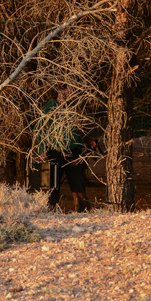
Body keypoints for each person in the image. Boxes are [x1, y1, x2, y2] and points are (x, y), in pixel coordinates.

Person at [34, 84, 91, 212]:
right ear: (61, 91)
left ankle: (83, 212)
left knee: (78, 183)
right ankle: (50, 211)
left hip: (73, 151)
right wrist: (42, 149)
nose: (73, 92)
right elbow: (41, 128)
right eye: (70, 89)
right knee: (52, 184)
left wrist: (80, 144)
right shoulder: (50, 106)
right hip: (55, 151)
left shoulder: (71, 107)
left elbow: (75, 129)